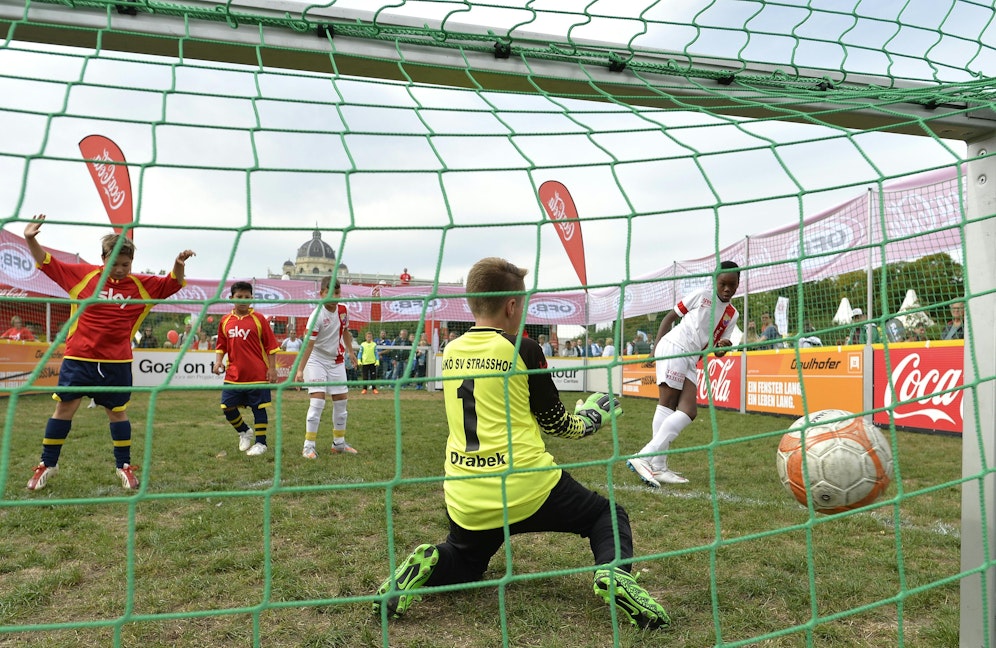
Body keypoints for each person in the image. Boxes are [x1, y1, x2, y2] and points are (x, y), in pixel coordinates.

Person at [372, 257, 669, 630]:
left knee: (465, 563)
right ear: (512, 306)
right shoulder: (522, 349)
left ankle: (430, 558)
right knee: (606, 516)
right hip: (527, 486)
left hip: (466, 493)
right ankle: (613, 574)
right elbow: (559, 425)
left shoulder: (450, 352)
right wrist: (595, 416)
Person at [23, 214, 194, 490]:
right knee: (64, 408)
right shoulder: (83, 275)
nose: (119, 269)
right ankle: (48, 463)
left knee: (117, 412)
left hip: (117, 362)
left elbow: (172, 283)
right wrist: (31, 239)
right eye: (114, 264)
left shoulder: (140, 285)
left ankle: (123, 466)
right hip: (79, 358)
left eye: (125, 264)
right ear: (103, 259)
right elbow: (47, 263)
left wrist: (177, 266)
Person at [627, 261, 740, 487]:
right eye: (722, 284)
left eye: (732, 285)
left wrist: (723, 346)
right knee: (668, 404)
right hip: (675, 346)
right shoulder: (702, 295)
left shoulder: (732, 314)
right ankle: (649, 460)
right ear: (715, 281)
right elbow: (670, 317)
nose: (727, 289)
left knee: (688, 411)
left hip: (692, 356)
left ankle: (656, 465)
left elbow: (717, 352)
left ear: (738, 284)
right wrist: (655, 348)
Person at [295, 277, 359, 458]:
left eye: (337, 293)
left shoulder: (343, 311)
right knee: (317, 402)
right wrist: (300, 370)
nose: (334, 297)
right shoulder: (316, 316)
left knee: (341, 402)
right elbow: (308, 345)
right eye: (330, 293)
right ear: (321, 294)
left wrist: (351, 352)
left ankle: (338, 444)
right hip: (316, 359)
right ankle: (308, 446)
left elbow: (345, 331)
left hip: (336, 361)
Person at [213, 281, 279, 457]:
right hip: (233, 374)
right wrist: (218, 361)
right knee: (226, 406)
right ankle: (244, 431)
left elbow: (271, 346)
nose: (243, 300)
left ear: (252, 299)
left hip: (257, 374)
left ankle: (261, 443)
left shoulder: (259, 320)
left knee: (259, 408)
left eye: (247, 297)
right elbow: (221, 345)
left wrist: (272, 369)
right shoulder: (225, 321)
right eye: (239, 297)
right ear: (231, 298)